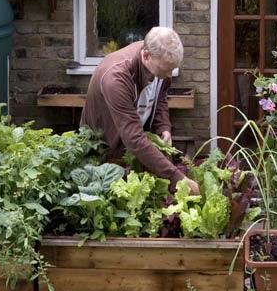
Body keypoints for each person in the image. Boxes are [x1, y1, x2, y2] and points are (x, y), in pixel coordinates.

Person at [81, 27, 200, 195]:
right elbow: (133, 137)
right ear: (145, 55)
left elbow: (160, 96)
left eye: (172, 69)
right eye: (165, 69)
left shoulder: (157, 61)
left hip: (132, 150)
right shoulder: (116, 79)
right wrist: (177, 177)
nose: (169, 75)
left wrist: (163, 127)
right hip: (104, 153)